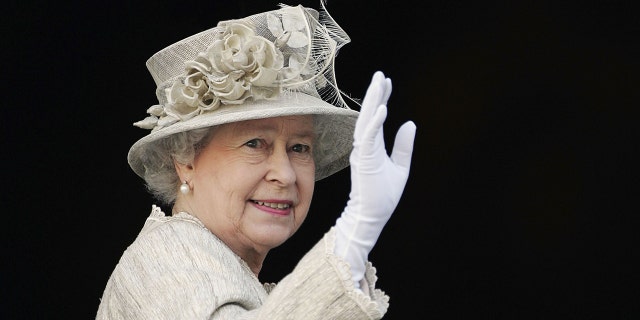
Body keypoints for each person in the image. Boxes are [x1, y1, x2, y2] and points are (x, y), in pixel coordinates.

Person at [96, 1, 416, 319]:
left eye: (300, 148)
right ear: (186, 161)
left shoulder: (222, 269)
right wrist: (356, 232)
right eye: (254, 143)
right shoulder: (165, 258)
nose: (285, 174)